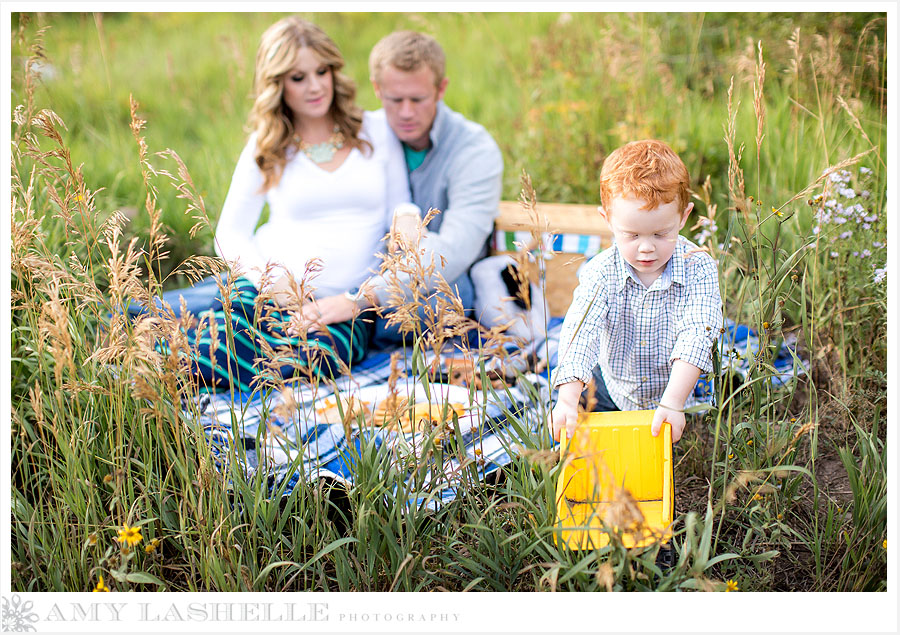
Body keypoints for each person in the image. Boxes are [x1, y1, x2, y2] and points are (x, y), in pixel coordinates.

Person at [176, 16, 410, 393]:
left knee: (319, 357)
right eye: (298, 77)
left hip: (342, 304)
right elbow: (230, 231)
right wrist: (269, 281)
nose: (316, 86)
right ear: (277, 83)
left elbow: (401, 212)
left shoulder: (377, 130)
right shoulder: (267, 146)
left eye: (322, 71)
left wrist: (364, 294)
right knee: (218, 346)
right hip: (272, 290)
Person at [295, 30, 504, 348]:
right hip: (353, 274)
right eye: (395, 100)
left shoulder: (474, 150)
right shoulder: (364, 138)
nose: (406, 112)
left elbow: (455, 250)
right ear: (377, 88)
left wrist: (359, 298)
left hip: (434, 288)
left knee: (437, 303)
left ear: (440, 89)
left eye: (417, 99)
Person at [548, 139, 723, 443]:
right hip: (612, 385)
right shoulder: (600, 272)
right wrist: (567, 398)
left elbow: (697, 333)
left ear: (683, 217)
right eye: (631, 235)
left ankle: (679, 421)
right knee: (573, 429)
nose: (646, 247)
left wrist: (673, 402)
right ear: (608, 220)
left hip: (676, 388)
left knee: (686, 448)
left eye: (661, 233)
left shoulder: (699, 267)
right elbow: (581, 331)